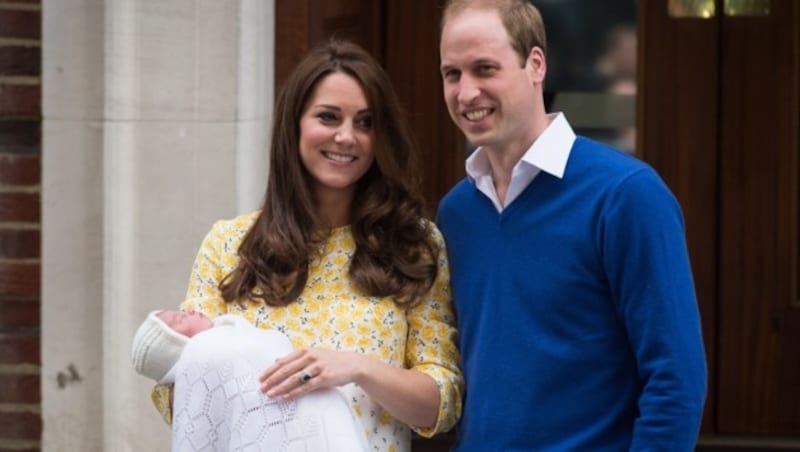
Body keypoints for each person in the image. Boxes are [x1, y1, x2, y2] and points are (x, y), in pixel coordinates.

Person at [147, 39, 463, 452]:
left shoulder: (413, 245)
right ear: (294, 124)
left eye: (365, 123)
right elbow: (182, 397)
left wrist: (357, 368)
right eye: (328, 117)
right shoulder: (229, 244)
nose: (347, 137)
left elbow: (442, 405)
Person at [436, 1, 707, 450]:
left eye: (485, 69)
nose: (466, 93)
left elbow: (676, 380)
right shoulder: (457, 213)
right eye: (452, 74)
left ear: (536, 64)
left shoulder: (627, 196)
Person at [131, 309, 369, 451]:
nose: (190, 311)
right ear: (176, 346)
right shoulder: (205, 351)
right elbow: (178, 400)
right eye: (178, 320)